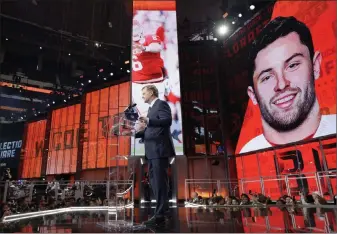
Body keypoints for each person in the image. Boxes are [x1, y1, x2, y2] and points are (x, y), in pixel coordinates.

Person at [240, 16, 336, 153]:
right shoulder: (248, 154)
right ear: (253, 95)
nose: (282, 84)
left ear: (315, 66)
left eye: (293, 65)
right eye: (267, 77)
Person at [134, 85, 175, 225]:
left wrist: (148, 121)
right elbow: (150, 130)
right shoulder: (151, 109)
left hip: (159, 150)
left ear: (151, 92)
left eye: (144, 93)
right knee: (154, 182)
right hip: (152, 151)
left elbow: (167, 121)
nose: (142, 96)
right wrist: (133, 133)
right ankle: (163, 211)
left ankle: (160, 214)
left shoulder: (161, 104)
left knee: (159, 182)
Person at [132, 20, 167, 117]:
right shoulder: (129, 45)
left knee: (158, 113)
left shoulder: (149, 37)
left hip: (155, 81)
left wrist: (144, 48)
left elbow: (156, 47)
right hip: (137, 84)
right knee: (144, 116)